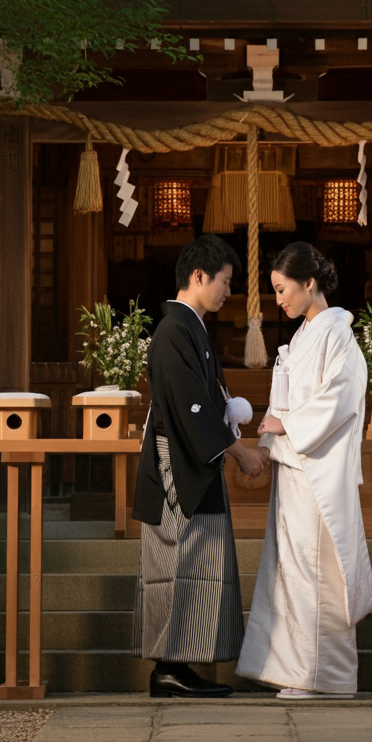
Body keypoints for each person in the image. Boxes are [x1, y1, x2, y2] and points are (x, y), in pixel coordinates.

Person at [236, 242, 372, 698]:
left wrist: (288, 424)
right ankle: (301, 672)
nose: (279, 300)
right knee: (294, 573)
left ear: (309, 283)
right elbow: (284, 400)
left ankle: (325, 677)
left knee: (319, 573)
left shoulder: (337, 334)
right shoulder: (303, 336)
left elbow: (340, 398)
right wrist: (267, 439)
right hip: (295, 467)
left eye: (282, 290)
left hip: (317, 473)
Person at [132, 235, 267, 698]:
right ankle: (168, 667)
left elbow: (210, 402)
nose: (229, 291)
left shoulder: (191, 328)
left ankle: (180, 664)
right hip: (179, 467)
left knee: (195, 563)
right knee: (179, 560)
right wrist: (240, 451)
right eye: (225, 281)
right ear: (198, 276)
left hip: (194, 462)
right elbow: (192, 406)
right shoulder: (175, 331)